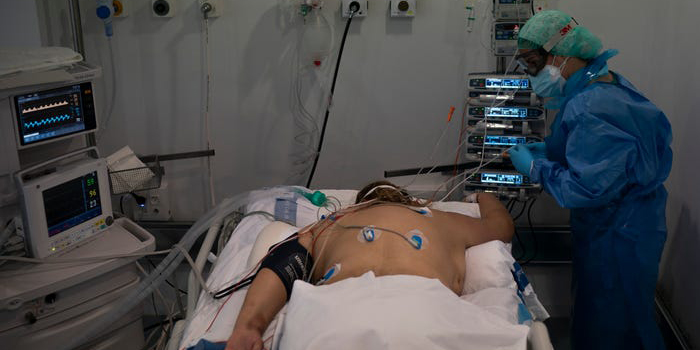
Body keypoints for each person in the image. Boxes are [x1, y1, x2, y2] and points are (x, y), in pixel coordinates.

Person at [507, 10, 672, 350]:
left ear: (563, 55)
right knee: (606, 319)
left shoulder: (591, 105)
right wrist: (552, 150)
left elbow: (586, 187)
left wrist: (536, 168)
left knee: (614, 329)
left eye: (534, 62)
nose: (532, 74)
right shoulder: (606, 85)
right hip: (624, 225)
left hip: (617, 235)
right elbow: (608, 157)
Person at [225, 181, 516, 350]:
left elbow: (285, 263)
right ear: (409, 201)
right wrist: (483, 196)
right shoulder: (442, 220)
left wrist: (249, 326)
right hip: (426, 315)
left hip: (332, 319)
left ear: (360, 203)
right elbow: (500, 227)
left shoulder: (333, 223)